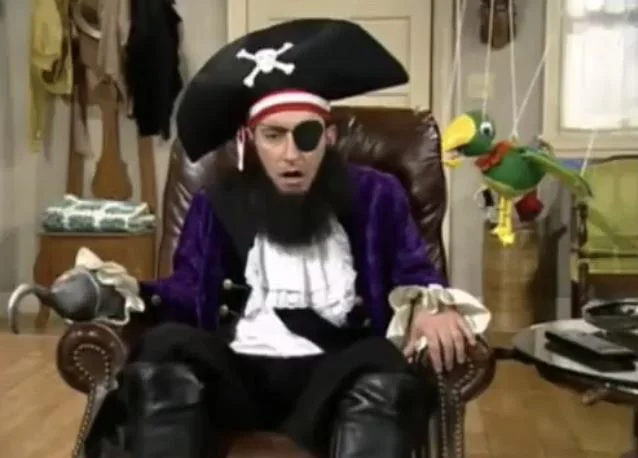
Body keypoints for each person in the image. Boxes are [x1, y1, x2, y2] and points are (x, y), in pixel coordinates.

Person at [75, 19, 490, 458]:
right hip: (237, 375)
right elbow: (186, 289)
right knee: (164, 345)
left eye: (307, 136)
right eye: (273, 136)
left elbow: (414, 269)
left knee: (385, 362)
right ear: (250, 139)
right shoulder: (215, 203)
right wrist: (121, 292)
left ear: (329, 137)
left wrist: (431, 307)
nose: (292, 155)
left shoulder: (377, 196)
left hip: (335, 374)